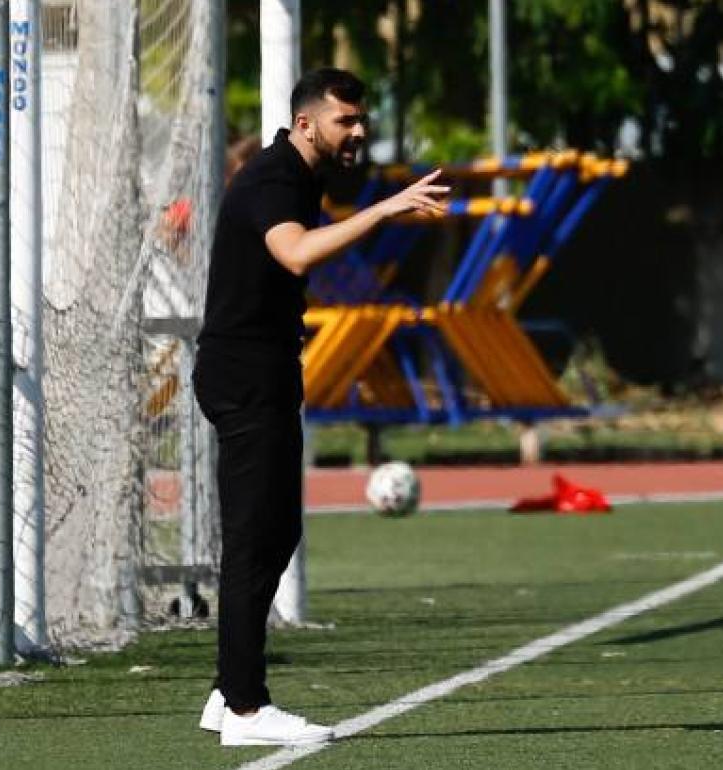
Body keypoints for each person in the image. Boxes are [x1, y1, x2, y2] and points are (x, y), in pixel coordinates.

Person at [191, 68, 448, 747]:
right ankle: (247, 709)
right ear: (306, 124)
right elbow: (296, 253)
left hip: (266, 368)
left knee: (276, 534)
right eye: (345, 121)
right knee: (253, 539)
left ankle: (227, 690)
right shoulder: (276, 178)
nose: (358, 131)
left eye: (361, 119)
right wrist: (385, 210)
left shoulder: (303, 176)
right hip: (244, 373)